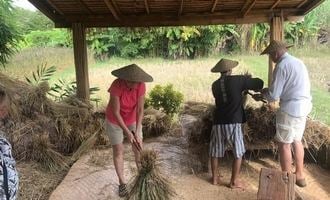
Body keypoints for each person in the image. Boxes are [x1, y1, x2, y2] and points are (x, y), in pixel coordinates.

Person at [260, 40, 312, 187]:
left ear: (275, 53)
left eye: (270, 55)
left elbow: (274, 95)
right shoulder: (298, 62)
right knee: (297, 140)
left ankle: (286, 178)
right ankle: (300, 175)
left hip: (290, 109)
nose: (270, 58)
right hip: (304, 107)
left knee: (284, 144)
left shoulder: (281, 66)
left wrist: (264, 94)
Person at [209, 58, 264, 189]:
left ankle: (215, 178)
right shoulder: (238, 80)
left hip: (218, 122)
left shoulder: (215, 85)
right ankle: (233, 182)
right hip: (233, 121)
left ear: (220, 71)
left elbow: (227, 95)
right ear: (230, 69)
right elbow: (259, 83)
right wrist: (246, 81)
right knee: (238, 152)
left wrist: (242, 89)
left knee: (215, 150)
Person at [105, 64, 153, 197]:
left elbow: (140, 110)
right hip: (115, 120)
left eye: (136, 82)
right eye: (131, 81)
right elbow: (115, 112)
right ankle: (122, 183)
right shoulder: (116, 85)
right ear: (124, 79)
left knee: (138, 148)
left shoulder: (141, 85)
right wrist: (127, 132)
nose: (134, 85)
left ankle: (142, 178)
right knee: (119, 150)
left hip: (132, 119)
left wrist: (137, 131)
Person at [0, 89, 19, 200]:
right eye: (2, 109)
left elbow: (9, 166)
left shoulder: (4, 143)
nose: (3, 115)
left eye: (4, 110)